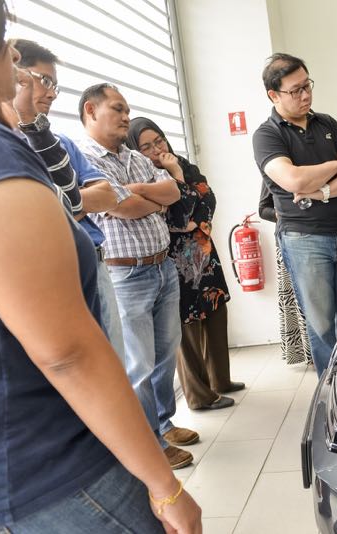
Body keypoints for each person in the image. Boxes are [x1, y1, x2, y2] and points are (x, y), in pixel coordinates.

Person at [0, 1, 201, 532]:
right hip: (44, 468)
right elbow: (66, 352)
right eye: (2, 37)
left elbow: (150, 193)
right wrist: (164, 484)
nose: (13, 53)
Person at [77, 83, 198, 469]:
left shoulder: (134, 157)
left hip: (163, 265)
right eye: (118, 109)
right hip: (125, 274)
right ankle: (150, 443)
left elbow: (173, 194)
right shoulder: (83, 158)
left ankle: (164, 422)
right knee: (139, 363)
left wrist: (136, 193)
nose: (127, 116)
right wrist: (143, 199)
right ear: (90, 111)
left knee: (165, 354)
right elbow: (123, 208)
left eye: (128, 109)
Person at [9, 38, 126, 363]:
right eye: (43, 80)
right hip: (49, 271)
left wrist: (61, 199)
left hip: (93, 260)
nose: (51, 92)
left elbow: (106, 194)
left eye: (55, 85)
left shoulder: (56, 142)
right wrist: (66, 199)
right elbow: (41, 207)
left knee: (114, 361)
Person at [252, 53, 337, 377]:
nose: (306, 95)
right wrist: (335, 165)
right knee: (320, 326)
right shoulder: (267, 135)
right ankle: (332, 393)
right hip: (303, 240)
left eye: (308, 86)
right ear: (273, 95)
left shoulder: (327, 123)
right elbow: (293, 180)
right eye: (295, 90)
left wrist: (323, 191)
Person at [127, 116, 244, 410]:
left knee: (216, 310)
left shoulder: (182, 163)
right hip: (174, 258)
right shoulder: (146, 174)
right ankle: (199, 395)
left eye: (159, 141)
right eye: (146, 146)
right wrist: (177, 179)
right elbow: (176, 218)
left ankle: (221, 380)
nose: (156, 149)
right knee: (187, 325)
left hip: (202, 251)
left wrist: (194, 217)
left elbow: (209, 199)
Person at [259, 181, 312, 365]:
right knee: (298, 300)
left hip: (322, 236)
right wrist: (284, 214)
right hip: (289, 239)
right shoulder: (275, 168)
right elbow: (262, 209)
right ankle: (310, 354)